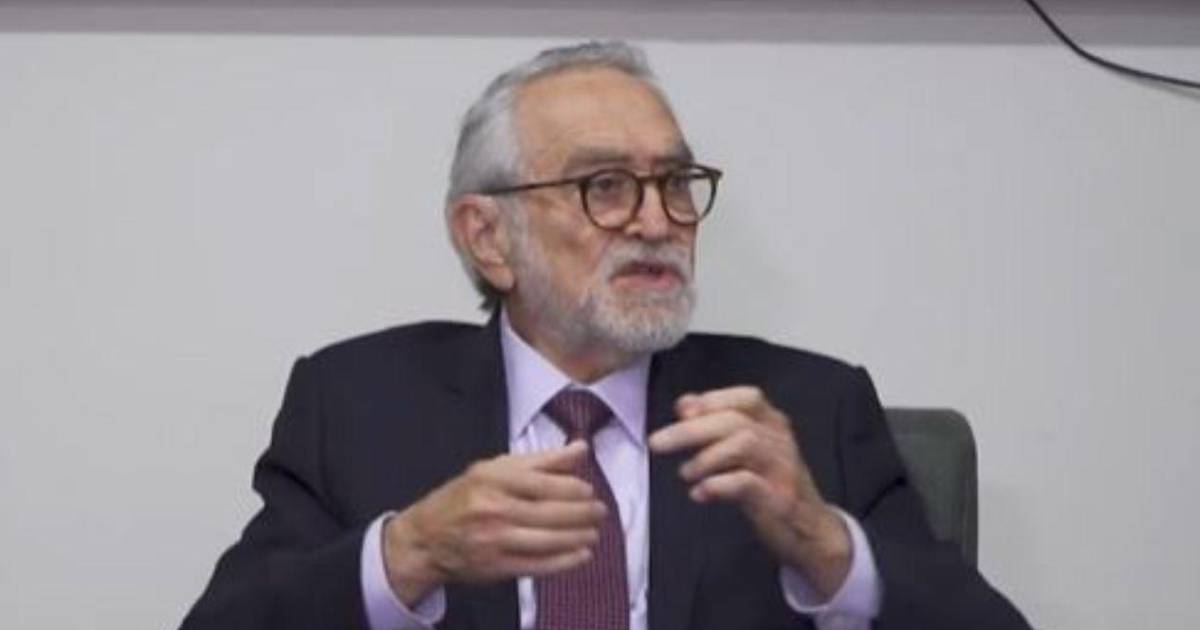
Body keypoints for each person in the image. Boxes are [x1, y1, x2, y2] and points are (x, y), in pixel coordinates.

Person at [182, 41, 1030, 630]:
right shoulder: (356, 404)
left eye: (676, 182)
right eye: (606, 187)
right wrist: (408, 553)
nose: (657, 221)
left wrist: (823, 542)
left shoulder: (813, 409)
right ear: (487, 237)